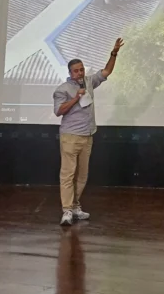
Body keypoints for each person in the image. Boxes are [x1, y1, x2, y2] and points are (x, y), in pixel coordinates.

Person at [53, 38, 124, 226]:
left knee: (82, 176)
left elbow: (107, 71)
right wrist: (75, 98)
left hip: (87, 136)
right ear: (70, 73)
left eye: (82, 69)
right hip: (70, 137)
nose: (80, 73)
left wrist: (114, 53)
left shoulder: (89, 82)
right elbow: (59, 111)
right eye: (76, 71)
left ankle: (75, 206)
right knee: (68, 175)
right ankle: (67, 210)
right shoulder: (62, 89)